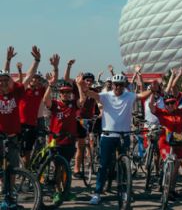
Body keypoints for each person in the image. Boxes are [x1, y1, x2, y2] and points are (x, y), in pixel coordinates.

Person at [85, 73, 150, 205]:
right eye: (116, 84)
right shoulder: (106, 96)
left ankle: (125, 191)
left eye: (120, 85)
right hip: (108, 136)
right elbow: (91, 94)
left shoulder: (129, 96)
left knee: (124, 166)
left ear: (124, 85)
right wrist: (82, 86)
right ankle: (97, 193)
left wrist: (152, 89)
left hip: (123, 135)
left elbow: (142, 95)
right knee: (103, 165)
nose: (118, 87)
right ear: (112, 85)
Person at [43, 72, 86, 204]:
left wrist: (79, 85)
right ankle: (57, 192)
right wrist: (50, 85)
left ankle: (65, 191)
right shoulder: (55, 104)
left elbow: (82, 101)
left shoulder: (73, 104)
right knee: (58, 168)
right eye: (63, 92)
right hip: (56, 142)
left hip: (69, 140)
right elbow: (46, 100)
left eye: (68, 92)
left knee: (66, 167)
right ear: (60, 94)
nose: (66, 94)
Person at [1, 46, 41, 170]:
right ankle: (2, 187)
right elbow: (4, 74)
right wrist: (7, 60)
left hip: (13, 136)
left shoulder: (16, 92)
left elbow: (29, 75)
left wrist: (37, 61)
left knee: (13, 168)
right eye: (1, 81)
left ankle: (11, 189)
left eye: (6, 81)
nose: (3, 83)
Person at [149, 92, 182, 201]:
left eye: (172, 103)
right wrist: (152, 93)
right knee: (170, 161)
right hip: (165, 141)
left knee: (177, 166)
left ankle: (172, 189)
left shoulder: (180, 112)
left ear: (176, 103)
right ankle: (165, 188)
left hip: (178, 140)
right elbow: (151, 107)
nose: (170, 105)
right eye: (167, 103)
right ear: (165, 104)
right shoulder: (161, 112)